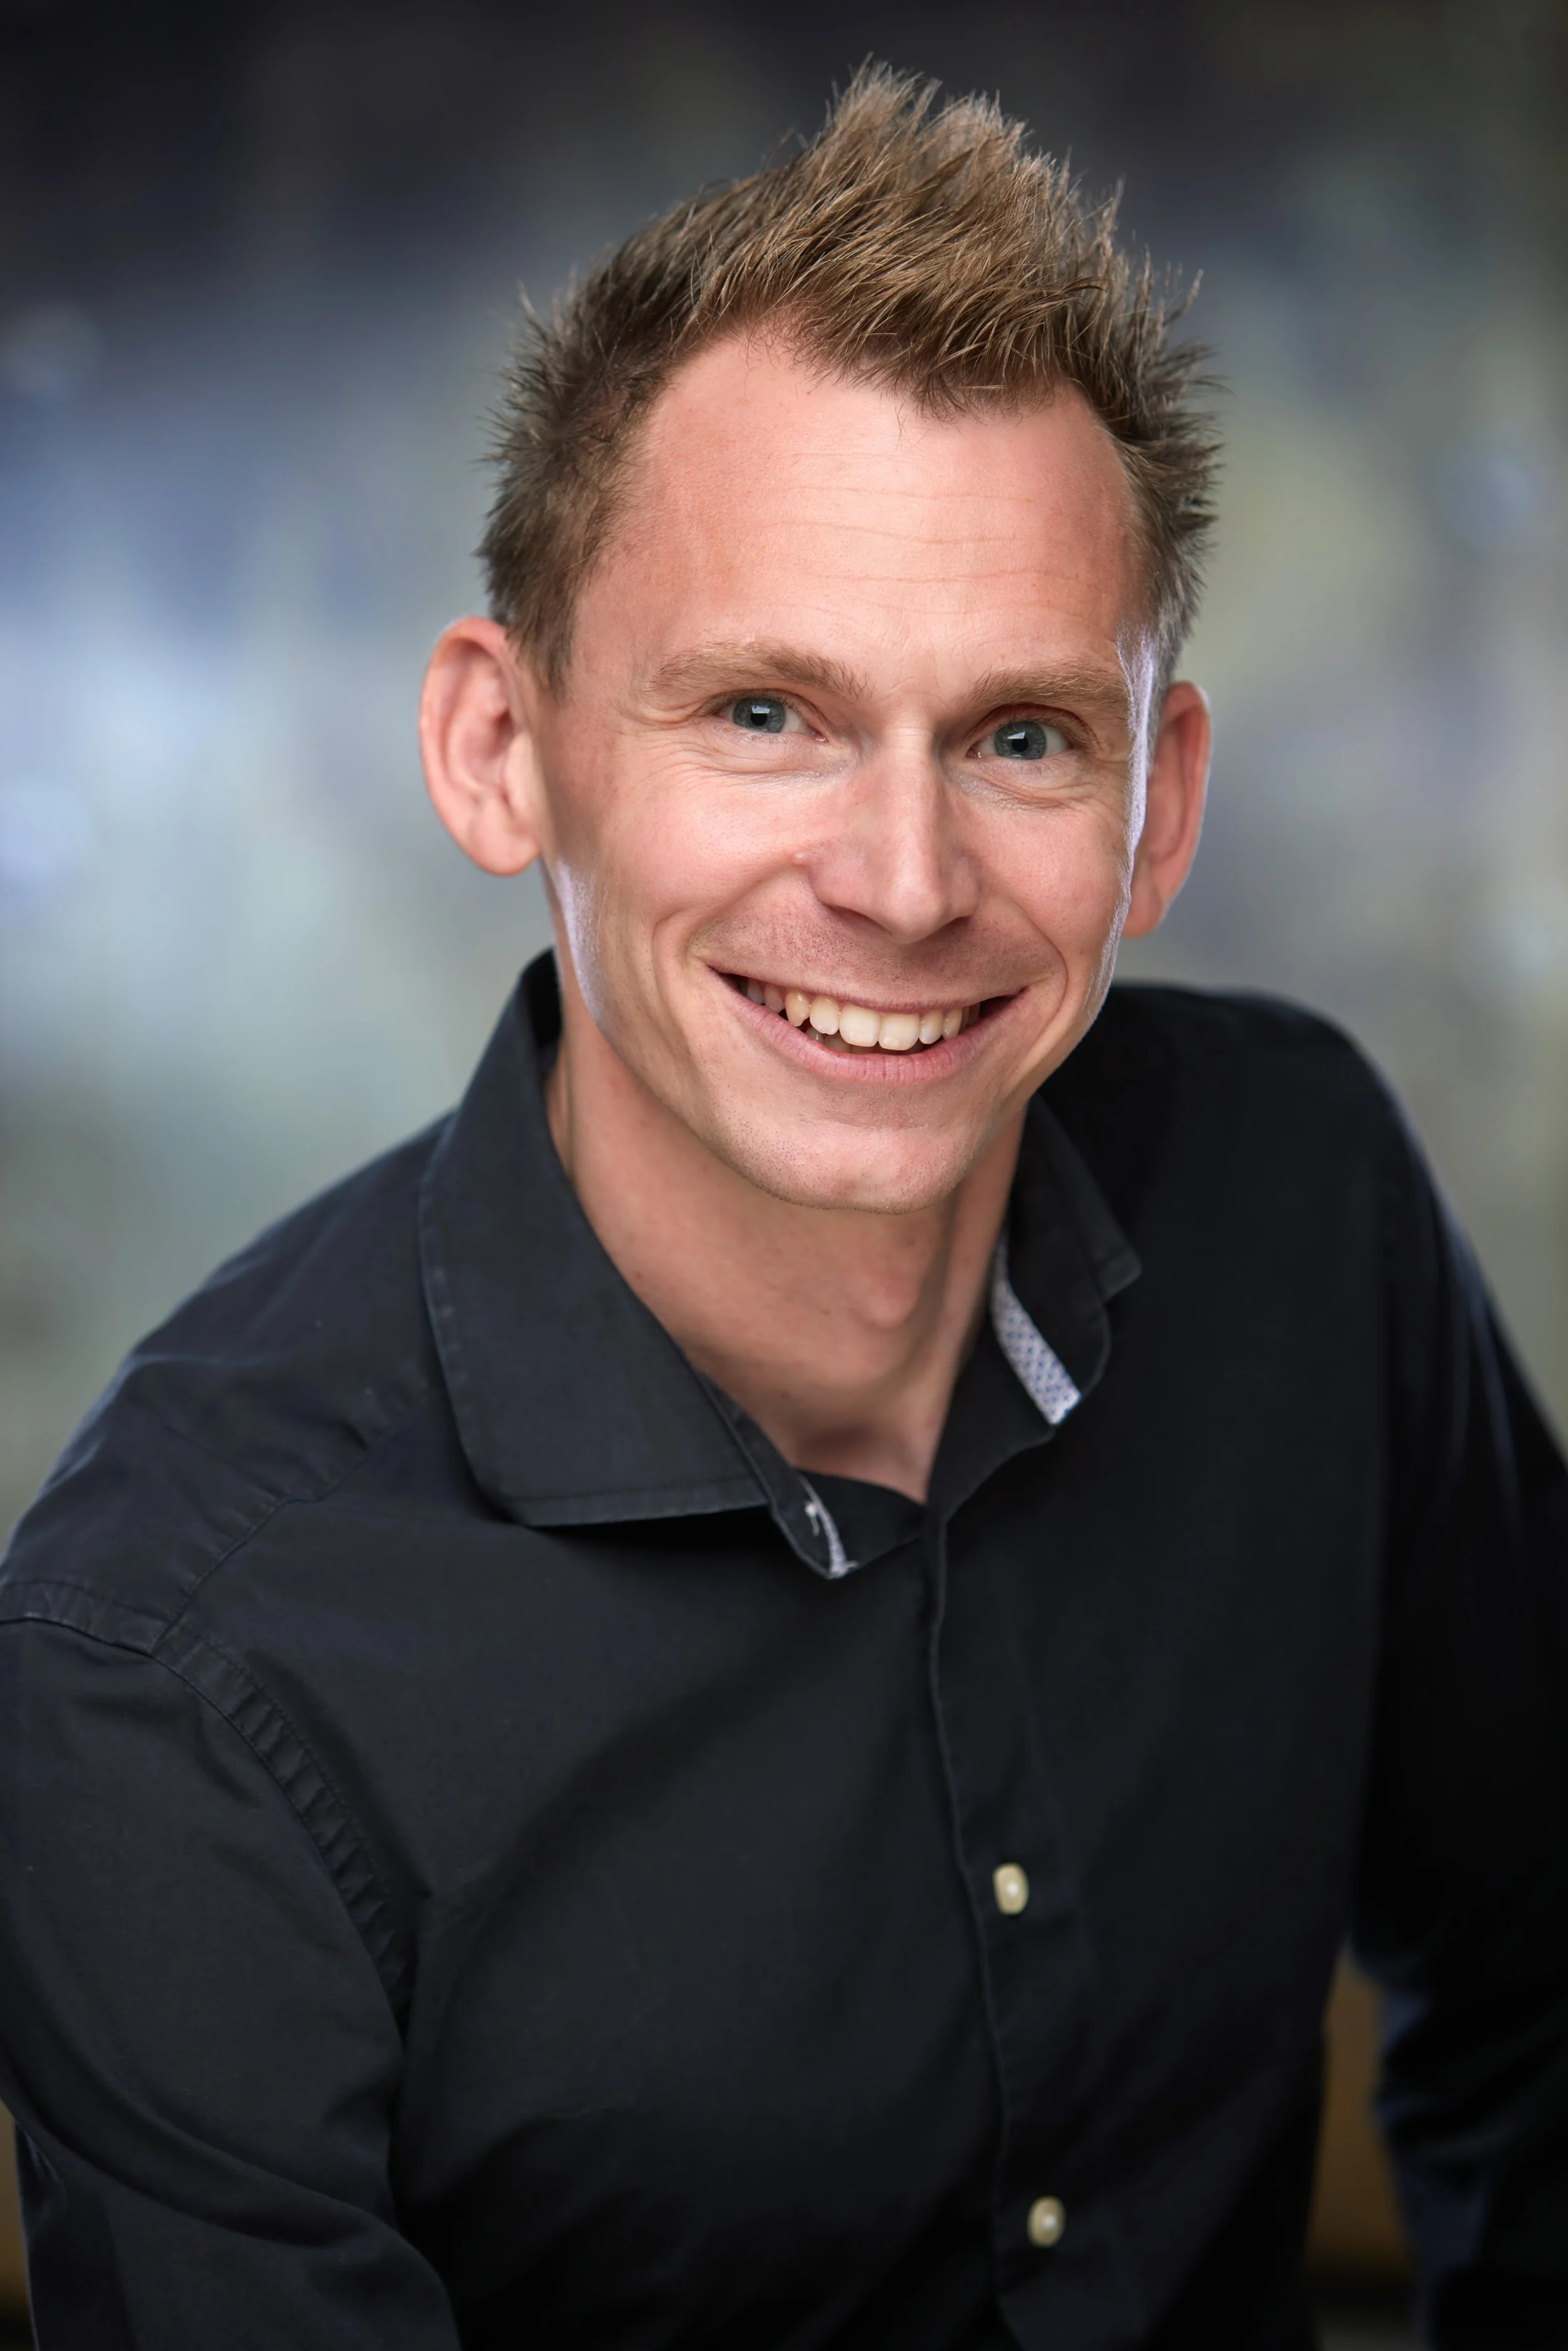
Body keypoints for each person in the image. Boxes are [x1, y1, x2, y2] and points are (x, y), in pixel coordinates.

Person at [1, 64, 1564, 2351]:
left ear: (1160, 802)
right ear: (498, 751)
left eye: (1023, 735)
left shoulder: (1303, 1201)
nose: (904, 882)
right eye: (762, 712)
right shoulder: (163, 1672)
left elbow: (1546, 1984)